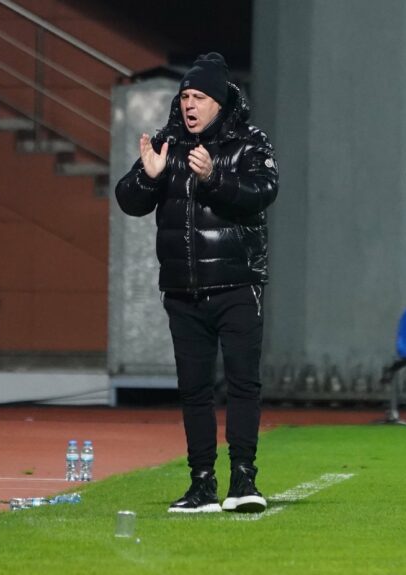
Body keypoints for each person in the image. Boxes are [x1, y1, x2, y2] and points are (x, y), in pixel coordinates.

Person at [115, 53, 279, 513]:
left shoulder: (250, 142)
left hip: (238, 284)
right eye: (185, 96)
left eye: (199, 97)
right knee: (193, 389)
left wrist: (213, 177)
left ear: (220, 102)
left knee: (243, 384)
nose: (189, 104)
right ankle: (201, 483)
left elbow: (261, 193)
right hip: (183, 289)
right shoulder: (166, 143)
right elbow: (128, 200)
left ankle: (243, 479)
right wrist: (148, 178)